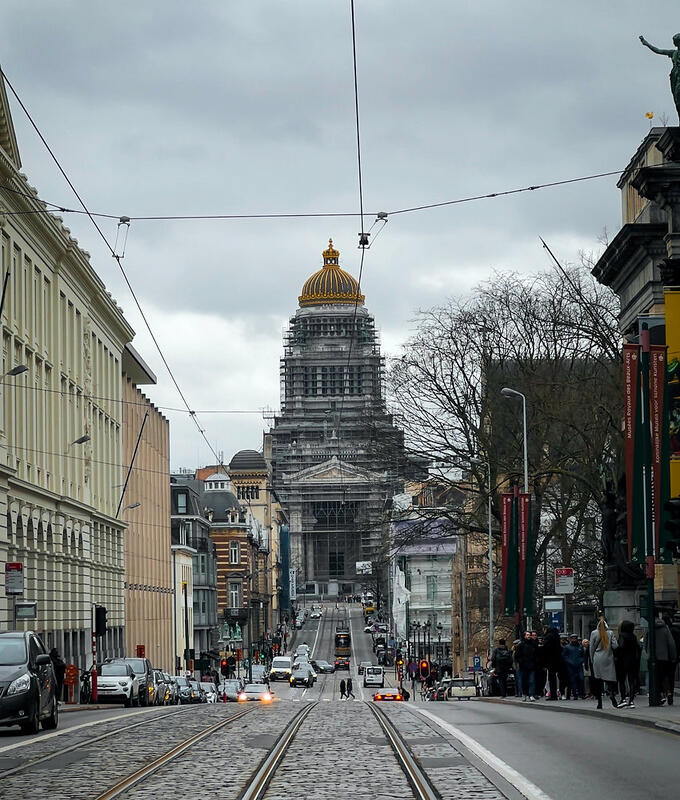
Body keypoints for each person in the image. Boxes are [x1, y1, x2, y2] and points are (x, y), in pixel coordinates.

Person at [589, 617, 619, 709]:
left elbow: (591, 648)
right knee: (609, 680)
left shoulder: (594, 633)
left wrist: (591, 659)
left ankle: (599, 702)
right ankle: (611, 694)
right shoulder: (610, 633)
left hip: (597, 659)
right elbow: (615, 646)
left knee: (598, 681)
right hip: (608, 658)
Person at [649, 615, 677, 705]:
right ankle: (668, 692)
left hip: (653, 657)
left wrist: (648, 653)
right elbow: (671, 643)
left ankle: (661, 695)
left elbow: (646, 642)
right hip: (664, 657)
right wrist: (673, 656)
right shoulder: (665, 628)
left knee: (656, 677)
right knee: (664, 676)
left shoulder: (650, 628)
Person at [614, 620, 641, 708]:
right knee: (631, 680)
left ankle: (623, 699)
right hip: (632, 661)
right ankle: (631, 700)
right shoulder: (633, 636)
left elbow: (621, 646)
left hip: (623, 661)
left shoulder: (622, 635)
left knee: (622, 680)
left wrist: (616, 653)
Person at [515, 631, 538, 701]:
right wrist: (521, 662)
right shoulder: (520, 645)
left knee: (532, 681)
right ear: (524, 636)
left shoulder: (533, 644)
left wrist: (535, 662)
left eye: (529, 635)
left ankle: (531, 694)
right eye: (527, 635)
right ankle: (525, 694)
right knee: (524, 681)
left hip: (532, 665)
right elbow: (517, 656)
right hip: (524, 666)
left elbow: (537, 654)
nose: (529, 636)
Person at [561, 634, 585, 700]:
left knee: (581, 678)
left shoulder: (580, 647)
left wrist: (581, 661)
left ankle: (581, 693)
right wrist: (569, 661)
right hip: (570, 666)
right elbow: (564, 656)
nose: (574, 640)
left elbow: (583, 656)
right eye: (573, 638)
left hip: (579, 665)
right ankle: (575, 694)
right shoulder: (567, 647)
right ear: (571, 639)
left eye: (575, 638)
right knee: (572, 680)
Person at [542, 628, 562, 701]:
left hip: (550, 660)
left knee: (551, 678)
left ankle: (553, 695)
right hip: (557, 660)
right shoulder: (557, 637)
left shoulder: (548, 637)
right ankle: (557, 693)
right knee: (556, 677)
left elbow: (545, 648)